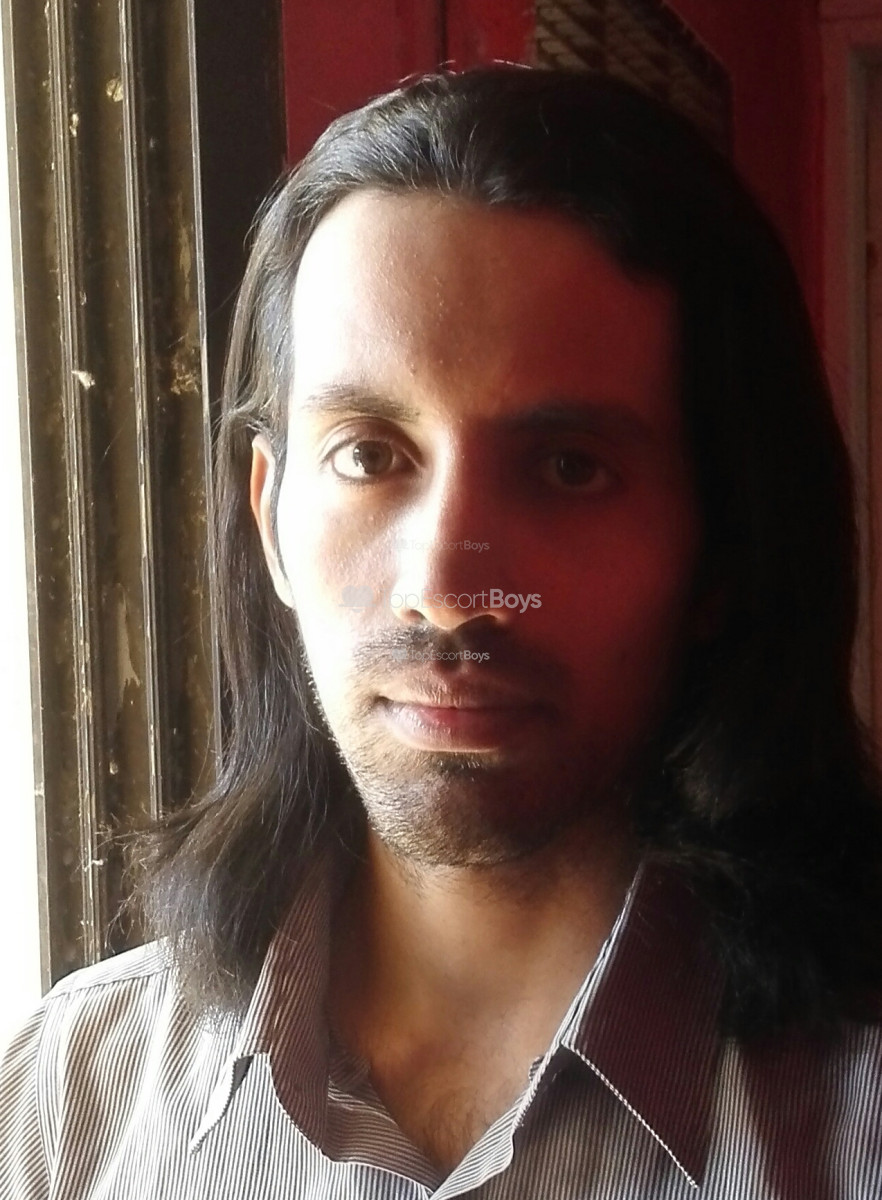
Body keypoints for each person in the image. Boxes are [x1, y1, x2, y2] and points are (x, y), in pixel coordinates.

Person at [2, 64, 882, 1199]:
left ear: (721, 543)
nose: (448, 590)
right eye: (369, 455)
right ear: (271, 521)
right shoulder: (70, 1106)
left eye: (567, 468)